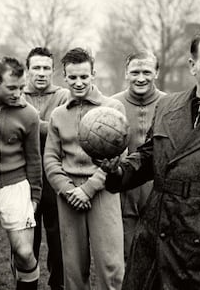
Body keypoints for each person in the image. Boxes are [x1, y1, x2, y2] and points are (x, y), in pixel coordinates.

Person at [102, 32, 200, 289]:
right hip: (158, 234)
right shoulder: (168, 106)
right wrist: (117, 171)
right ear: (193, 65)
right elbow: (149, 156)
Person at [44, 47, 124, 290]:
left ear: (93, 74)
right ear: (64, 78)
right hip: (69, 197)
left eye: (84, 76)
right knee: (73, 269)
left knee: (111, 266)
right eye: (73, 77)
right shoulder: (58, 115)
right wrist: (68, 191)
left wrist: (89, 189)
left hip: (102, 192)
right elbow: (51, 159)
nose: (79, 83)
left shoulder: (113, 108)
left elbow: (120, 156)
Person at [0, 57, 42, 290]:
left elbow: (34, 158)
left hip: (16, 186)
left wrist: (35, 196)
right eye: (12, 87)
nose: (18, 93)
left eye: (22, 87)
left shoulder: (29, 114)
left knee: (24, 252)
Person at [112, 50, 166, 260]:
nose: (141, 78)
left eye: (146, 71)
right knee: (128, 257)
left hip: (160, 195)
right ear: (126, 73)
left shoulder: (171, 105)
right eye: (135, 72)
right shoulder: (112, 105)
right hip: (124, 195)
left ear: (156, 72)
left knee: (160, 259)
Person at [23, 47, 68, 290]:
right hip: (23, 178)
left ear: (53, 71)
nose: (41, 73)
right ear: (27, 69)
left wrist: (26, 118)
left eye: (46, 68)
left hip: (55, 176)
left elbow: (60, 129)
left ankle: (57, 286)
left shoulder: (63, 95)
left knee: (59, 243)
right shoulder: (17, 91)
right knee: (25, 243)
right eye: (36, 68)